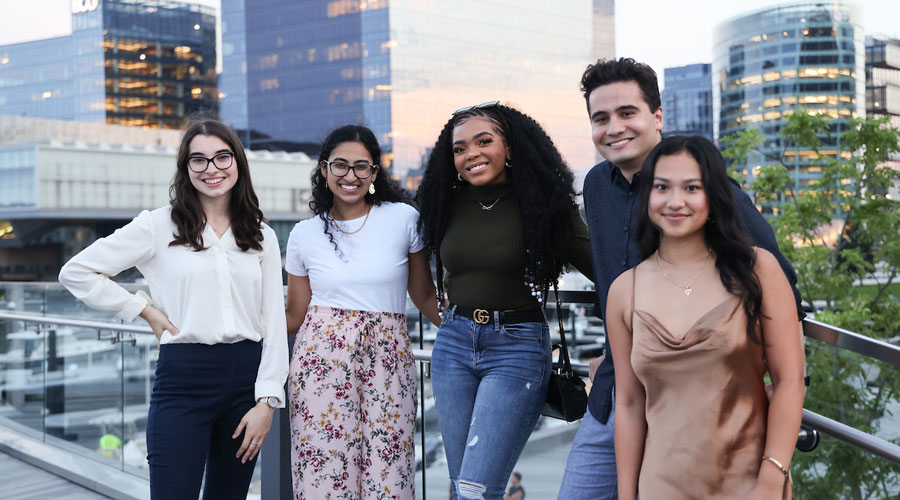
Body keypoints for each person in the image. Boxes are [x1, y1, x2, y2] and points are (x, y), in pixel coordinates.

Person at [557, 58, 806, 499]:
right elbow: (611, 279)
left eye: (627, 113)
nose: (614, 127)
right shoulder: (596, 185)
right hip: (624, 390)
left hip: (713, 406)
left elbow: (776, 282)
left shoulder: (704, 184)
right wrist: (614, 350)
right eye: (601, 118)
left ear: (657, 117)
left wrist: (752, 377)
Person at [58, 118, 288, 499]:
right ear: (185, 168)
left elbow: (274, 324)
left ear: (238, 163)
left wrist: (267, 402)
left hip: (246, 381)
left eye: (221, 157)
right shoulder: (157, 226)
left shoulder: (260, 233)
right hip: (184, 379)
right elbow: (77, 271)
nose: (211, 169)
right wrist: (142, 309)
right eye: (198, 160)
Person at [607, 135, 805, 498]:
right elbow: (630, 404)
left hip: (748, 484)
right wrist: (626, 494)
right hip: (661, 486)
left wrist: (771, 478)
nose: (675, 201)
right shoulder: (625, 291)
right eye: (662, 187)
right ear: (647, 196)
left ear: (713, 197)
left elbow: (790, 380)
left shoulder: (757, 269)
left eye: (692, 187)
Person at [416, 102, 593, 500]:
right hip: (453, 344)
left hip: (516, 348)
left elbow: (604, 268)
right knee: (462, 486)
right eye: (459, 149)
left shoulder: (544, 206)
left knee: (477, 489)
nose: (471, 154)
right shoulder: (445, 204)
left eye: (484, 141)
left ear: (510, 147)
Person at [284, 125, 440, 499]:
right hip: (320, 362)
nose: (350, 176)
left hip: (389, 360)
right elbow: (294, 314)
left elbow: (423, 295)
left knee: (390, 471)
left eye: (361, 167)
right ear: (324, 170)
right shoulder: (303, 234)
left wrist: (470, 332)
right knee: (323, 471)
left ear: (374, 172)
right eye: (340, 165)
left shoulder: (403, 218)